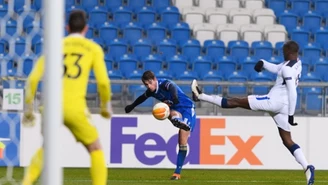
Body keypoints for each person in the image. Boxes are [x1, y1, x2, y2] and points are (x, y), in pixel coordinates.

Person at [191, 40, 315, 185]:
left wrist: (292, 114)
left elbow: (293, 92)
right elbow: (278, 69)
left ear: (288, 52)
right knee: (287, 140)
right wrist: (263, 62)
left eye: (283, 52)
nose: (282, 54)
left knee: (236, 101)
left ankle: (200, 96)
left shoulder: (287, 68)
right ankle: (307, 167)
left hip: (274, 101)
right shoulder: (297, 64)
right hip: (284, 106)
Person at [22, 10, 112, 185]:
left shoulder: (56, 46)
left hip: (50, 107)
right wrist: (104, 107)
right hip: (75, 107)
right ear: (86, 28)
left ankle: (26, 182)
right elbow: (103, 83)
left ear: (67, 27)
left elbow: (32, 79)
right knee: (95, 148)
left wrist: (28, 109)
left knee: (47, 148)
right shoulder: (93, 49)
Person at [124, 70, 196, 180]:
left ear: (154, 80)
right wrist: (132, 106)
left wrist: (175, 97)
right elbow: (142, 97)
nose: (147, 87)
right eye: (145, 85)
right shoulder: (152, 91)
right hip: (175, 109)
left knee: (182, 140)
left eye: (148, 84)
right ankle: (178, 121)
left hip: (187, 108)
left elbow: (172, 86)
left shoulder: (164, 83)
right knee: (167, 111)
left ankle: (177, 172)